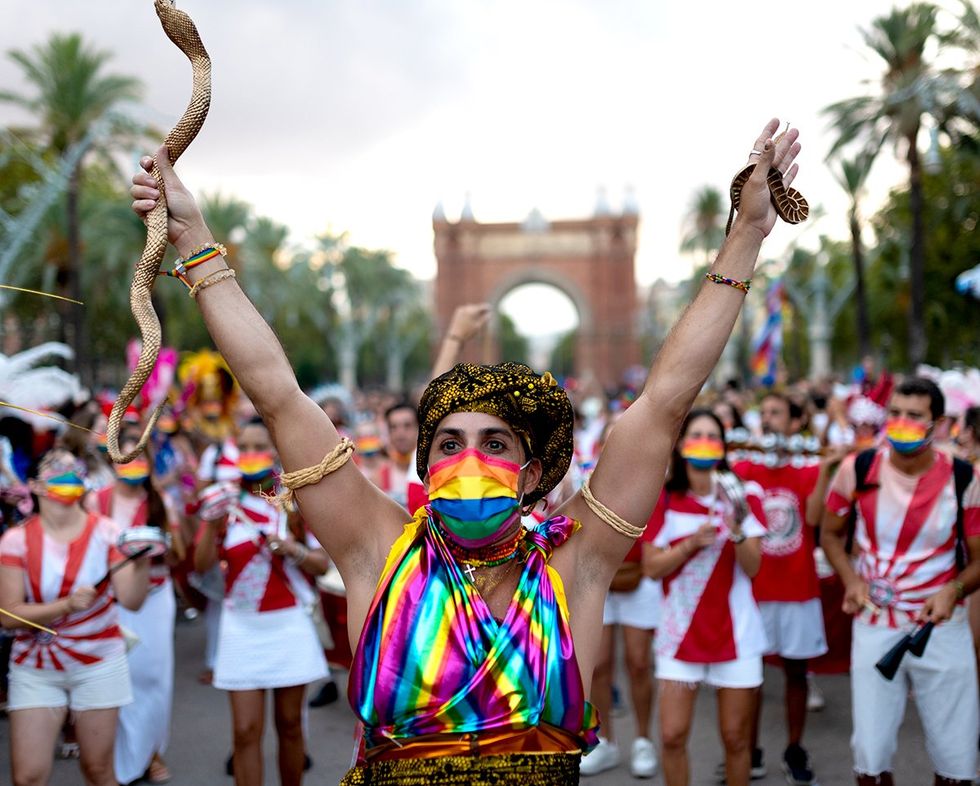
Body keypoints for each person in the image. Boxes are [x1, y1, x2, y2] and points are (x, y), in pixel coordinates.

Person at [131, 118, 803, 783]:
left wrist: (744, 236)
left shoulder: (578, 569)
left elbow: (663, 405)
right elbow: (277, 394)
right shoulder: (378, 551)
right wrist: (198, 244)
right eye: (449, 442)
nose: (469, 457)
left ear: (531, 471)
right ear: (426, 465)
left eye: (494, 443)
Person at [821, 377, 980, 786]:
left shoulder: (964, 479)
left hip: (941, 627)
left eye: (914, 416)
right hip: (875, 623)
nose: (901, 422)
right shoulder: (856, 468)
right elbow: (829, 534)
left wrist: (954, 590)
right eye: (894, 413)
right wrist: (851, 580)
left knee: (957, 762)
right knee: (870, 762)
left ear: (938, 424)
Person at [0, 448, 150, 786]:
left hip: (99, 663)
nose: (69, 473)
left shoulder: (109, 532)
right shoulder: (15, 540)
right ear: (36, 485)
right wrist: (66, 606)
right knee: (27, 777)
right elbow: (8, 616)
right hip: (36, 667)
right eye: (57, 467)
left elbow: (132, 600)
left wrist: (142, 563)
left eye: (75, 468)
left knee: (98, 771)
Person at [194, 418, 330, 786]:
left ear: (274, 451)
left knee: (289, 725)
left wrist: (293, 550)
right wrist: (209, 523)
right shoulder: (223, 501)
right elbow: (200, 564)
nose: (252, 454)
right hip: (241, 626)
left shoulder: (294, 501)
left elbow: (322, 565)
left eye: (260, 446)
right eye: (245, 447)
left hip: (289, 623)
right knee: (244, 731)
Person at [646, 409, 766, 786]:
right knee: (672, 735)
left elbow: (753, 568)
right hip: (679, 636)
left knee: (735, 737)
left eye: (712, 435)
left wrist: (738, 528)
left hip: (737, 636)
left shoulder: (744, 495)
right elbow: (652, 568)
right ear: (681, 446)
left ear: (723, 446)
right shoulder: (664, 499)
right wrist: (690, 546)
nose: (704, 442)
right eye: (695, 434)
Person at [731, 391, 832, 784]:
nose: (769, 419)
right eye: (765, 413)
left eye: (777, 413)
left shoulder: (808, 470)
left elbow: (812, 517)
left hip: (798, 590)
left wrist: (825, 467)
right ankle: (750, 750)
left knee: (796, 673)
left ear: (795, 423)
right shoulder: (743, 468)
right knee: (750, 676)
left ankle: (794, 747)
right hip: (754, 592)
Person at [87, 427, 178, 785]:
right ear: (115, 459)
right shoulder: (98, 500)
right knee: (116, 676)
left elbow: (179, 556)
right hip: (112, 601)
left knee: (152, 678)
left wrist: (166, 545)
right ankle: (120, 756)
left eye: (141, 456)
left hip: (154, 600)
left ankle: (150, 750)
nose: (134, 463)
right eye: (128, 456)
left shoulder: (160, 501)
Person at [580, 416, 661, 779]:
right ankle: (606, 741)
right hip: (600, 580)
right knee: (598, 665)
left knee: (639, 662)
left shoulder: (652, 467)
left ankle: (643, 739)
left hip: (638, 578)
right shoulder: (585, 469)